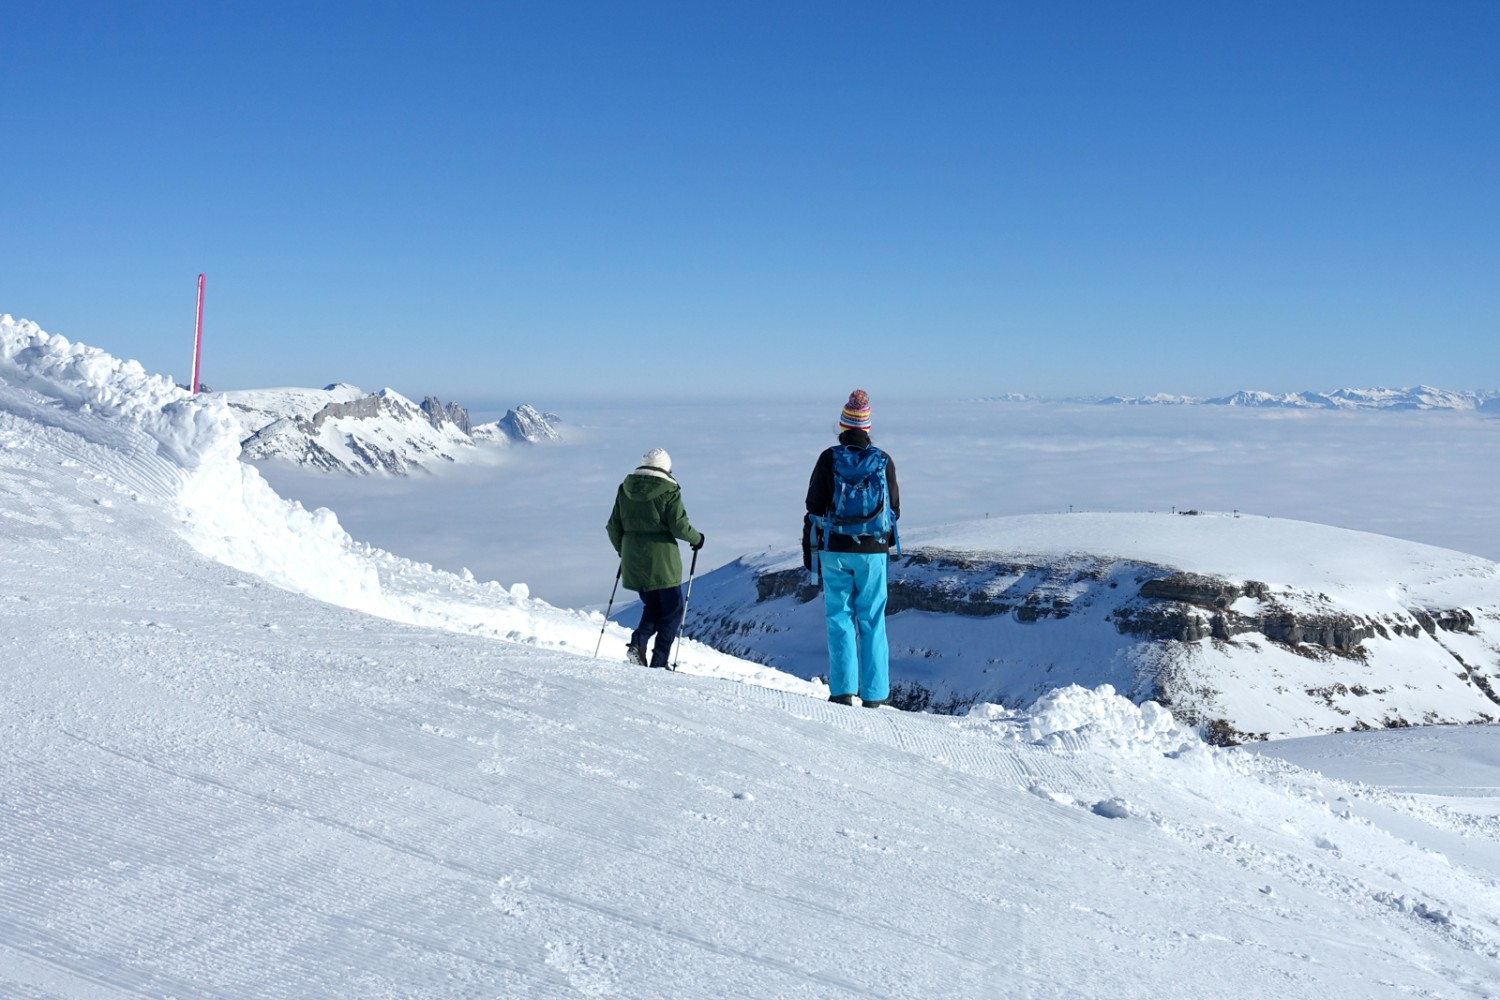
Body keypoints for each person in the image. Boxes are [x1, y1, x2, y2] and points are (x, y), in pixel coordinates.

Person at [804, 389, 900, 707]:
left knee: (839, 617)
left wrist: (812, 547)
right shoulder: (883, 460)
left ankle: (843, 691)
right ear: (867, 428)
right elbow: (895, 510)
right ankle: (874, 695)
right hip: (873, 551)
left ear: (843, 427)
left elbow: (813, 505)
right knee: (872, 619)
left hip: (834, 548)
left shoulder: (828, 458)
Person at [606, 448, 705, 670]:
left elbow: (613, 526)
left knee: (652, 606)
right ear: (665, 467)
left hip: (633, 559)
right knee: (672, 611)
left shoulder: (625, 488)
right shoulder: (669, 490)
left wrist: (624, 551)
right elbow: (678, 526)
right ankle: (659, 663)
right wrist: (697, 538)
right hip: (662, 560)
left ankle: (638, 643)